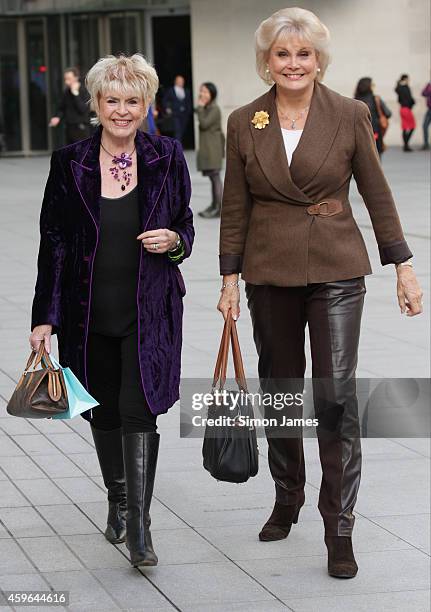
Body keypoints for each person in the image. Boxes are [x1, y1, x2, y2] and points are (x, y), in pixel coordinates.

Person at [218, 7, 423, 580]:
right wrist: (229, 280)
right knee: (282, 389)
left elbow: (377, 193)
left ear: (318, 59)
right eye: (282, 54)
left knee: (334, 396)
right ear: (267, 61)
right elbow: (234, 206)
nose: (293, 64)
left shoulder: (349, 114)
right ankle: (288, 497)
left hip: (336, 268)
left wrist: (403, 266)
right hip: (267, 269)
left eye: (303, 54)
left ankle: (340, 526)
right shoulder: (243, 122)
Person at [29, 54, 194, 568]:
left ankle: (141, 529)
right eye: (113, 100)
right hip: (87, 311)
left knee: (139, 409)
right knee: (101, 412)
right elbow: (52, 243)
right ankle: (118, 501)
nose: (123, 111)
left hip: (149, 312)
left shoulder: (167, 155)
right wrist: (43, 318)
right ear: (97, 103)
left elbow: (186, 227)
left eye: (133, 101)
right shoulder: (69, 161)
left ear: (147, 105)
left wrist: (173, 241)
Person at [196, 82, 225, 218]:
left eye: (206, 92)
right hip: (209, 148)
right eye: (201, 91)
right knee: (213, 178)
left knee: (215, 177)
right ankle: (214, 205)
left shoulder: (214, 109)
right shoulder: (208, 108)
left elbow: (204, 123)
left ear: (212, 94)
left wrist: (200, 108)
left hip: (213, 149)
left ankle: (219, 208)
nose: (202, 94)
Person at [49, 67, 91, 145]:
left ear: (76, 77)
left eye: (69, 79)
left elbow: (83, 109)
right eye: (65, 79)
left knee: (82, 152)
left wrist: (75, 94)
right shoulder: (67, 92)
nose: (66, 82)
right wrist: (57, 117)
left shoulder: (84, 90)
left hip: (81, 127)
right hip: (69, 127)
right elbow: (62, 107)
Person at [354, 77, 391, 156]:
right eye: (373, 84)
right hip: (375, 131)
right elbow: (388, 113)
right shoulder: (376, 99)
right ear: (369, 86)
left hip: (359, 134)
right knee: (376, 155)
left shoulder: (355, 100)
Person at [162, 75, 192, 143]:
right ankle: (178, 148)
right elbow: (165, 100)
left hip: (184, 115)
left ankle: (177, 146)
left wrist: (188, 112)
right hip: (174, 114)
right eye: (179, 81)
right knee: (177, 131)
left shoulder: (186, 91)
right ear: (176, 81)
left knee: (182, 131)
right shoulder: (171, 90)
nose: (181, 82)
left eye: (182, 81)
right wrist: (167, 108)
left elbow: (188, 102)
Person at [395, 74, 416, 152]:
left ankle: (405, 145)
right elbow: (410, 99)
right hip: (406, 109)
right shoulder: (405, 88)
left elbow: (396, 89)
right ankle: (406, 145)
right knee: (412, 126)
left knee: (405, 127)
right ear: (405, 79)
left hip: (402, 109)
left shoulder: (399, 88)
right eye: (408, 79)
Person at [421, 80, 431, 150]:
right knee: (424, 126)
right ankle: (426, 144)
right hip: (429, 109)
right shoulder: (429, 85)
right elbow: (423, 93)